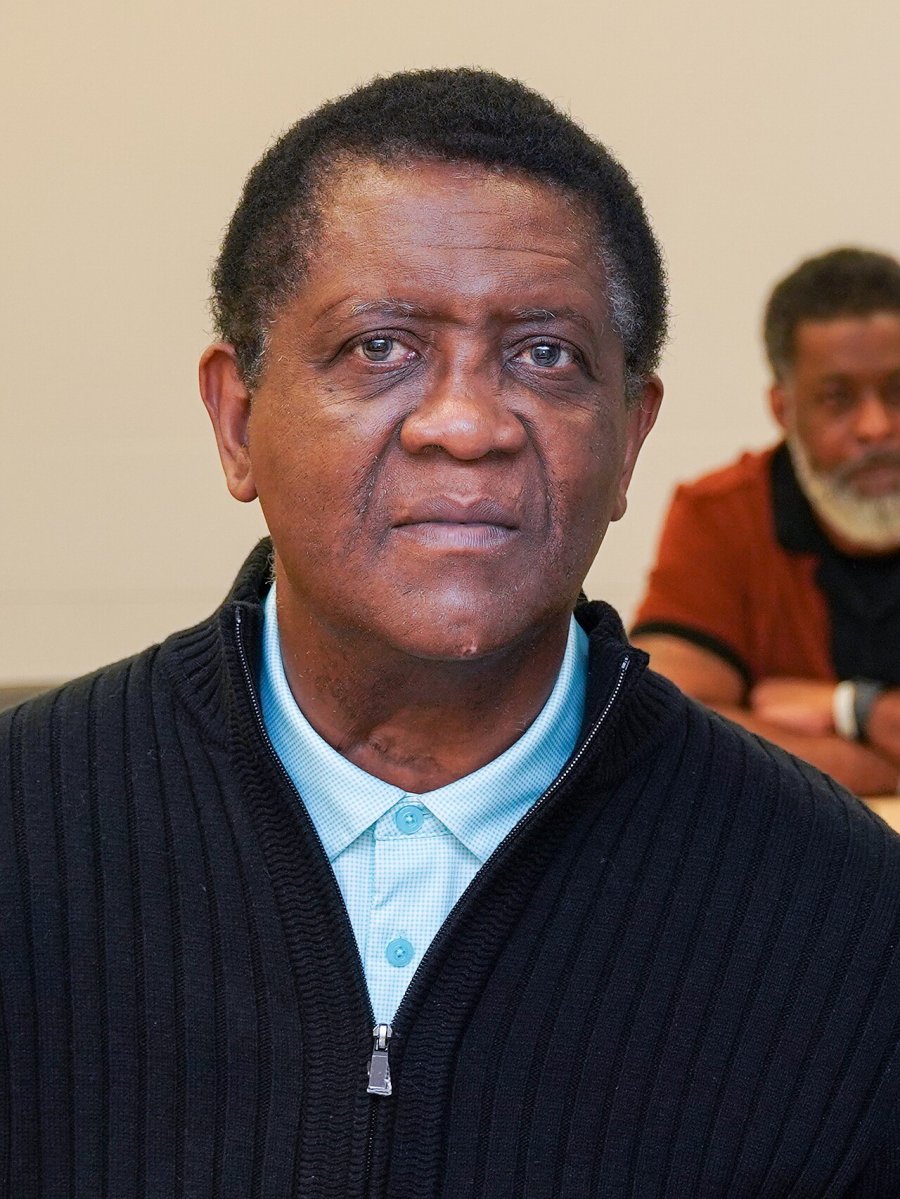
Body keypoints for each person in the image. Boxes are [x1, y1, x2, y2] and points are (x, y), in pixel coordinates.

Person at [3, 71, 900, 1199]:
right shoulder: (26, 828)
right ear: (237, 419)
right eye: (380, 346)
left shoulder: (845, 916)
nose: (468, 425)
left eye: (546, 354)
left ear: (630, 439)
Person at [633, 248, 900, 797]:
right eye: (838, 399)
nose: (876, 427)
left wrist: (847, 708)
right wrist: (878, 765)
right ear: (783, 410)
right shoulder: (721, 515)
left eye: (899, 392)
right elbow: (666, 721)